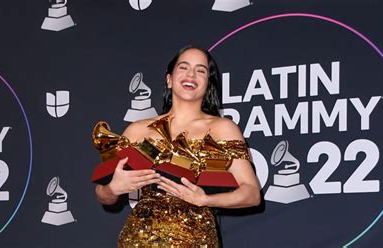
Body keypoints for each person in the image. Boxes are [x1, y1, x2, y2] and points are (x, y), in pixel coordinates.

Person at [95, 45, 261, 247]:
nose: (191, 74)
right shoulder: (137, 130)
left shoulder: (222, 129)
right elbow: (102, 195)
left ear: (208, 83)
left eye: (201, 70)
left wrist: (205, 200)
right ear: (169, 79)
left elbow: (252, 194)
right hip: (139, 238)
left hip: (195, 239)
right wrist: (114, 188)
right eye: (184, 67)